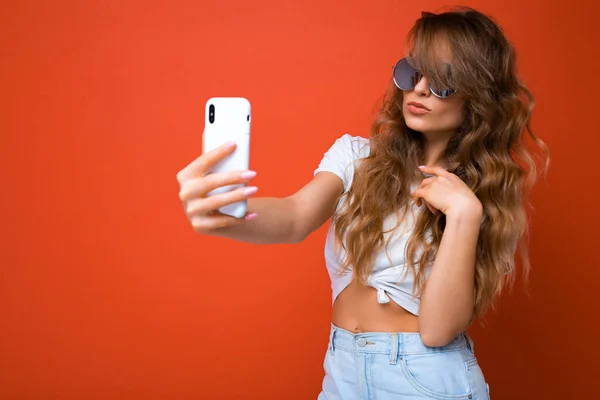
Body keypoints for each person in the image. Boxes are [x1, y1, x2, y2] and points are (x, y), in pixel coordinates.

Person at [177, 6, 549, 399]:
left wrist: (464, 215)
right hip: (343, 373)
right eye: (413, 71)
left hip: (425, 378)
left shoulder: (478, 197)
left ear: (478, 98)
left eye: (443, 81)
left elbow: (438, 329)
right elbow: (294, 217)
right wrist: (226, 212)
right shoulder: (356, 158)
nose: (419, 89)